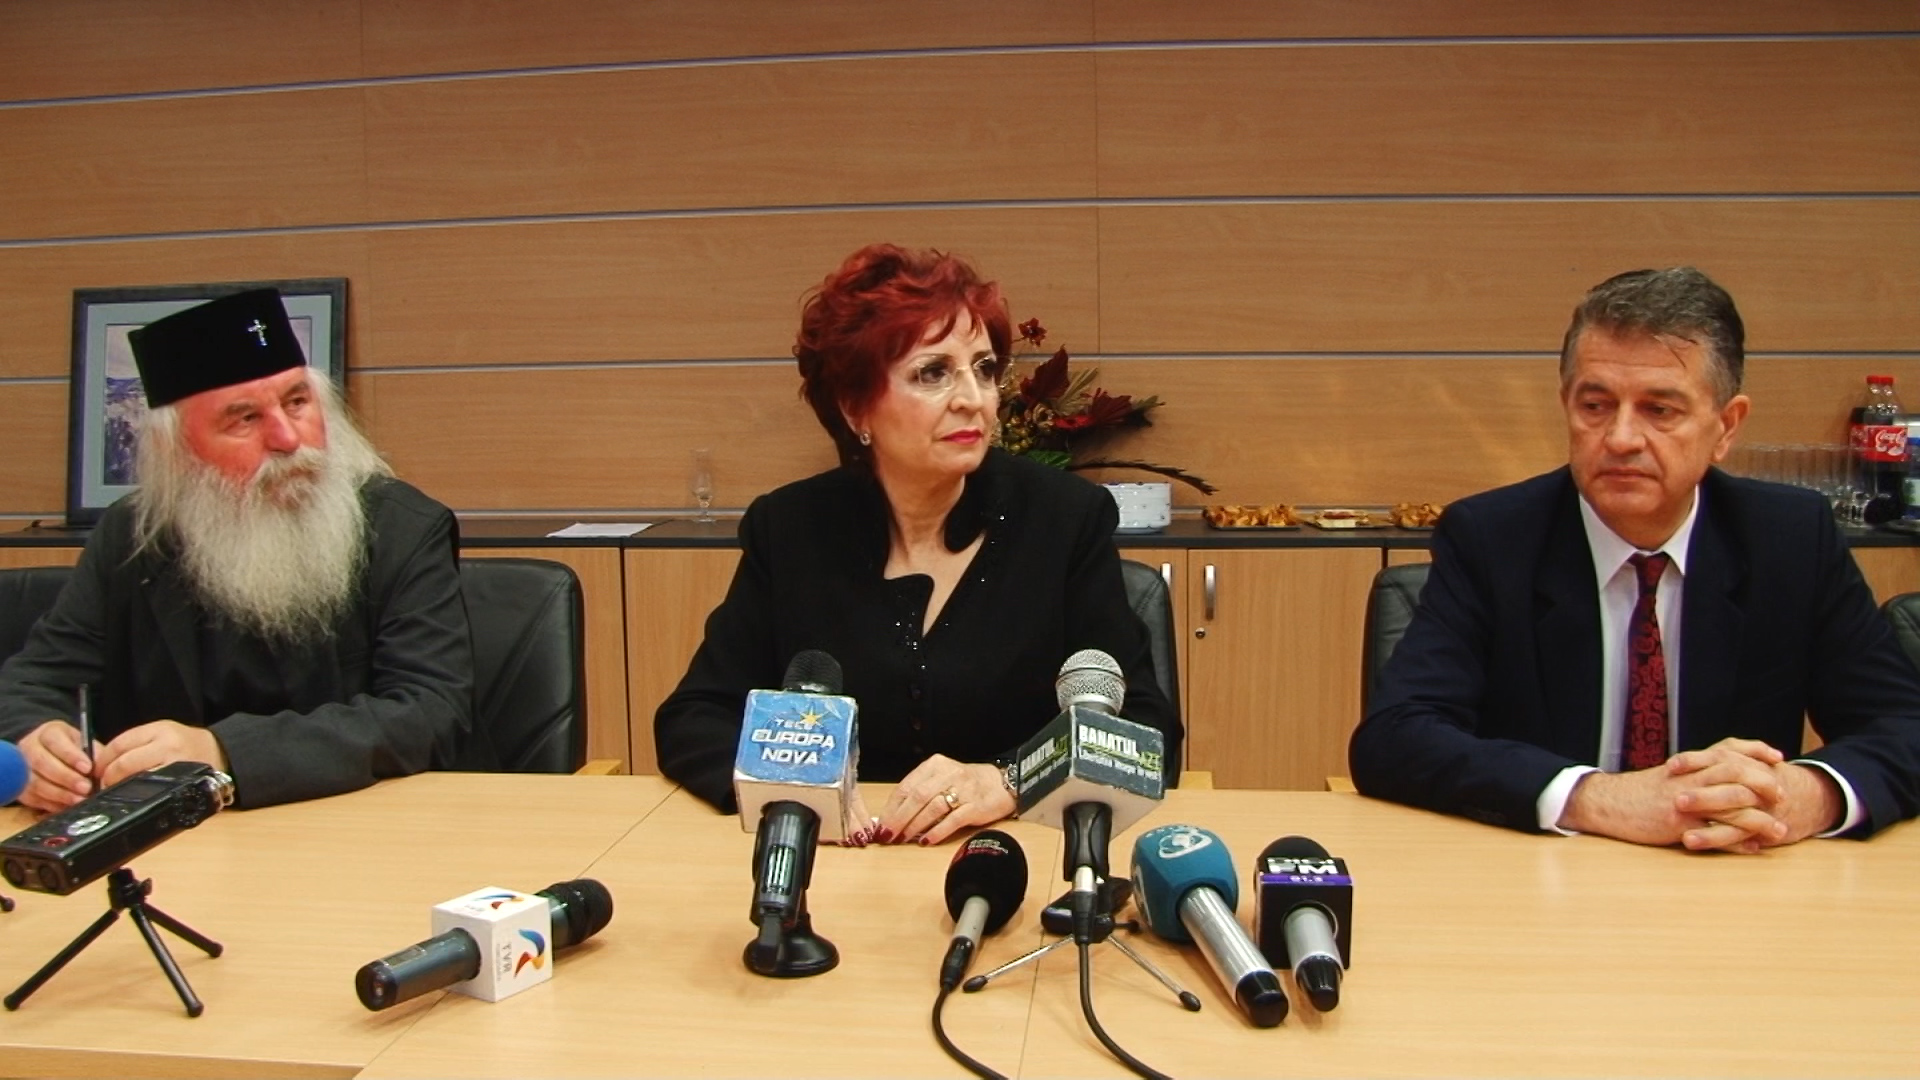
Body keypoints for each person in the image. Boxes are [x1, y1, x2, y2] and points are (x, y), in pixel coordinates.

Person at [1351, 267, 1920, 851]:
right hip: (1544, 875)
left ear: (1725, 427)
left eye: (1659, 410)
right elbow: (1395, 738)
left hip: (1735, 874)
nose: (1621, 437)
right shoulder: (1493, 538)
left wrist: (1805, 795)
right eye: (1595, 405)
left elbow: (1904, 727)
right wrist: (1598, 798)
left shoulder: (1789, 539)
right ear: (1566, 406)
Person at [655, 243, 1180, 845]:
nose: (973, 398)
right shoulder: (791, 529)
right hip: (839, 862)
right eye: (934, 373)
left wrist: (1011, 781)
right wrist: (799, 794)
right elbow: (695, 718)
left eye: (984, 369)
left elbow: (1146, 731)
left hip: (1014, 853)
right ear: (856, 407)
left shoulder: (1063, 519)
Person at [0, 288, 480, 812]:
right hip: (178, 840)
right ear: (175, 451)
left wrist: (224, 752)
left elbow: (429, 712)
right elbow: (37, 677)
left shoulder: (402, 527)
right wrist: (35, 739)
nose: (288, 438)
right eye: (245, 419)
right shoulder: (135, 534)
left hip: (360, 823)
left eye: (297, 403)